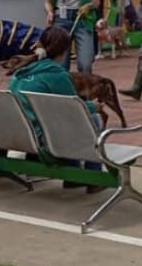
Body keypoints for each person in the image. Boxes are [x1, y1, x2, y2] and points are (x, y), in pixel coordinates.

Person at [8, 26, 103, 191]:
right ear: (64, 51)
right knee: (92, 118)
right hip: (44, 142)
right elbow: (75, 109)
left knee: (58, 122)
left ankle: (73, 173)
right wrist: (93, 106)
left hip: (19, 135)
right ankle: (94, 176)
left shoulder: (20, 71)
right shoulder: (57, 75)